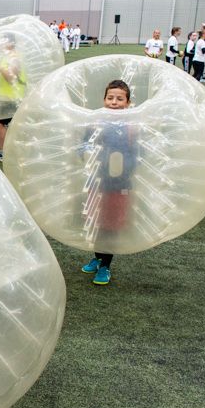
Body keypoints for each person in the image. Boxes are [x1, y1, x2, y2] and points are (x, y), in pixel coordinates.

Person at [79, 80, 136, 286]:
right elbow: (84, 143)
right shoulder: (96, 122)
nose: (114, 102)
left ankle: (106, 266)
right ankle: (98, 256)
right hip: (96, 182)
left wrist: (123, 168)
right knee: (96, 222)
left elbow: (136, 154)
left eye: (120, 99)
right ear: (104, 100)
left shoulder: (130, 127)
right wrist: (85, 153)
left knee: (110, 225)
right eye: (110, 98)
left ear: (128, 103)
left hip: (118, 186)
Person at [0, 35, 25, 163]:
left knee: (0, 124)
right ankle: (12, 153)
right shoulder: (8, 57)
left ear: (10, 43)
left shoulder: (14, 58)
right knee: (9, 125)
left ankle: (2, 153)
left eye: (4, 42)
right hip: (8, 96)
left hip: (11, 97)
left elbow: (11, 77)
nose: (1, 44)